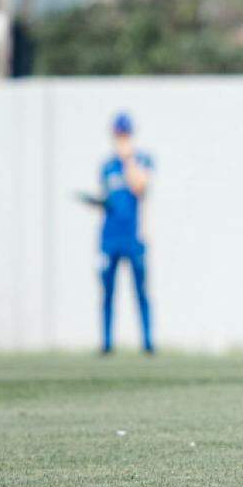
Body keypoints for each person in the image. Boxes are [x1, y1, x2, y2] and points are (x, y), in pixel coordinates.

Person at [97, 112, 154, 355]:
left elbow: (140, 187)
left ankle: (148, 342)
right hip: (110, 237)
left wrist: (128, 158)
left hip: (133, 236)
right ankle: (107, 343)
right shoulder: (107, 166)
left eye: (124, 134)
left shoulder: (141, 160)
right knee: (108, 291)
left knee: (140, 290)